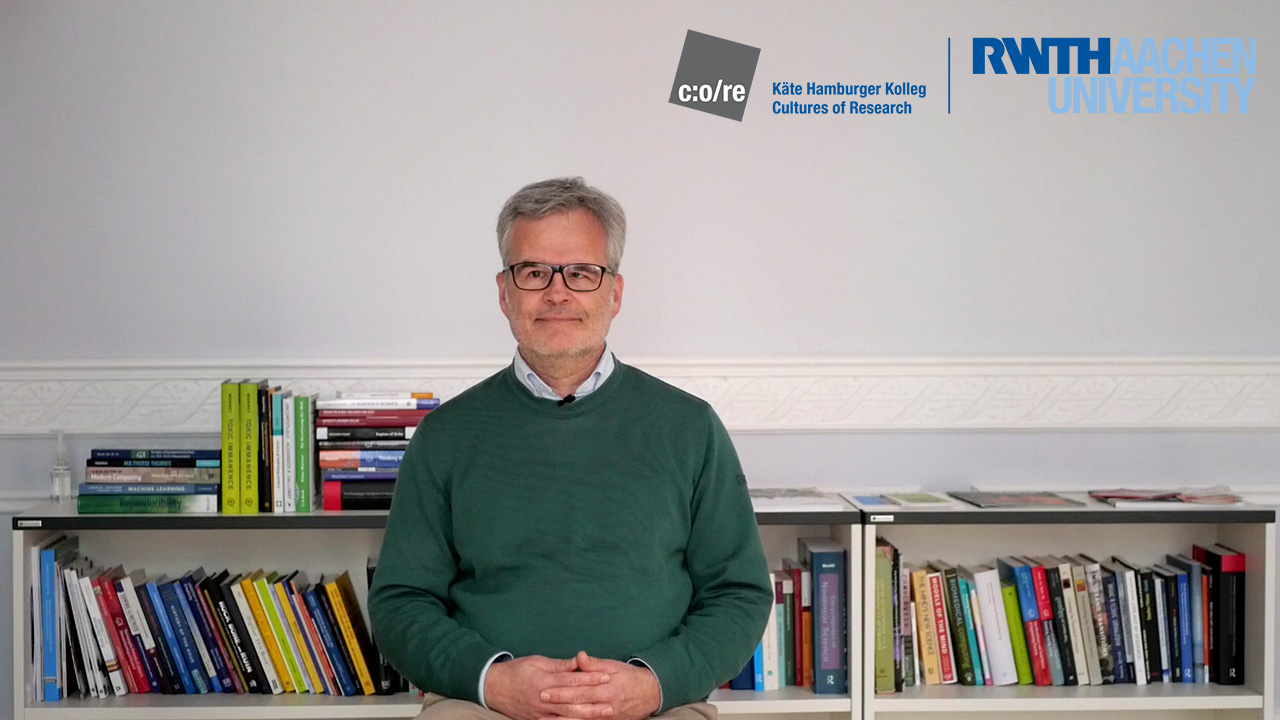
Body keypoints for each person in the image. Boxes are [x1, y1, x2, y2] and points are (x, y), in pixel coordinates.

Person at [369, 177, 772, 720]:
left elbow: (740, 593)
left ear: (615, 293)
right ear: (503, 292)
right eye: (533, 272)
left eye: (581, 273)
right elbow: (400, 604)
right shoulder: (444, 435)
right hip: (484, 706)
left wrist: (654, 685)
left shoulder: (690, 427)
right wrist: (492, 680)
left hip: (654, 706)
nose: (557, 292)